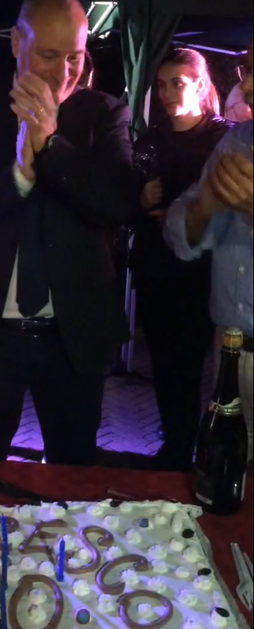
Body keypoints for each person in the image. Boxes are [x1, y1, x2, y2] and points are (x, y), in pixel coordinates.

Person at [0, 0, 135, 466]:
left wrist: (51, 143)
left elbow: (117, 205)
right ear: (17, 42)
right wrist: (17, 178)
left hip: (72, 336)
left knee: (73, 474)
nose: (63, 72)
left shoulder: (105, 114)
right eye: (48, 55)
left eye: (74, 57)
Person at [131, 48, 233, 471]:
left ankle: (205, 452)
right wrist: (141, 202)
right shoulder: (149, 141)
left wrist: (182, 214)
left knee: (200, 366)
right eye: (161, 84)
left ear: (200, 85)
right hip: (158, 268)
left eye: (177, 83)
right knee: (165, 363)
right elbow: (124, 205)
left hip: (203, 274)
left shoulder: (222, 139)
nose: (168, 92)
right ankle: (175, 448)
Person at [165, 41, 253, 460]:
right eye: (246, 70)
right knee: (226, 472)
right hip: (230, 351)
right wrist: (205, 207)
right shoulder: (237, 141)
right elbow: (181, 233)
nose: (246, 87)